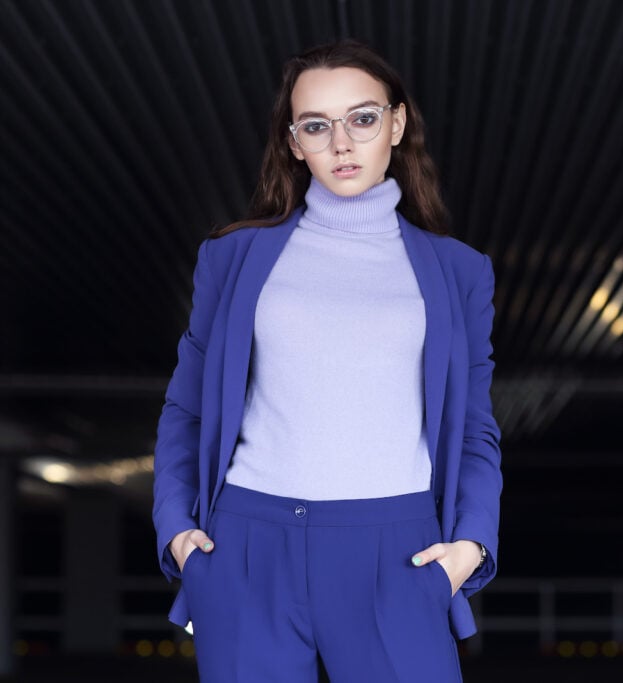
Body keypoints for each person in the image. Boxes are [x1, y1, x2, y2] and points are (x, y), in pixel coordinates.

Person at [152, 40, 501, 682]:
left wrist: (471, 546)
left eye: (362, 119)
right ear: (294, 142)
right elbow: (189, 406)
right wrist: (177, 529)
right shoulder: (232, 259)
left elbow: (474, 426)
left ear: (396, 124)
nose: (341, 144)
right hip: (247, 544)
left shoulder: (459, 272)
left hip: (400, 550)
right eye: (317, 126)